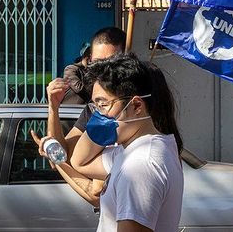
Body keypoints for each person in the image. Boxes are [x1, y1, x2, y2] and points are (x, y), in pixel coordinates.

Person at [70, 54, 184, 232]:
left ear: (137, 106)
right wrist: (98, 129)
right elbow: (80, 162)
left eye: (103, 104)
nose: (98, 115)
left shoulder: (140, 165)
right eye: (95, 106)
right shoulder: (132, 150)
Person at [45, 27, 126, 158]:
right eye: (98, 63)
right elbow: (62, 155)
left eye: (113, 62)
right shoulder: (93, 111)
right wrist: (53, 108)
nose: (105, 71)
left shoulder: (138, 108)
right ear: (90, 61)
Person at [61, 40, 93, 105]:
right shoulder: (71, 69)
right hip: (71, 109)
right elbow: (79, 88)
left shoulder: (92, 71)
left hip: (86, 110)